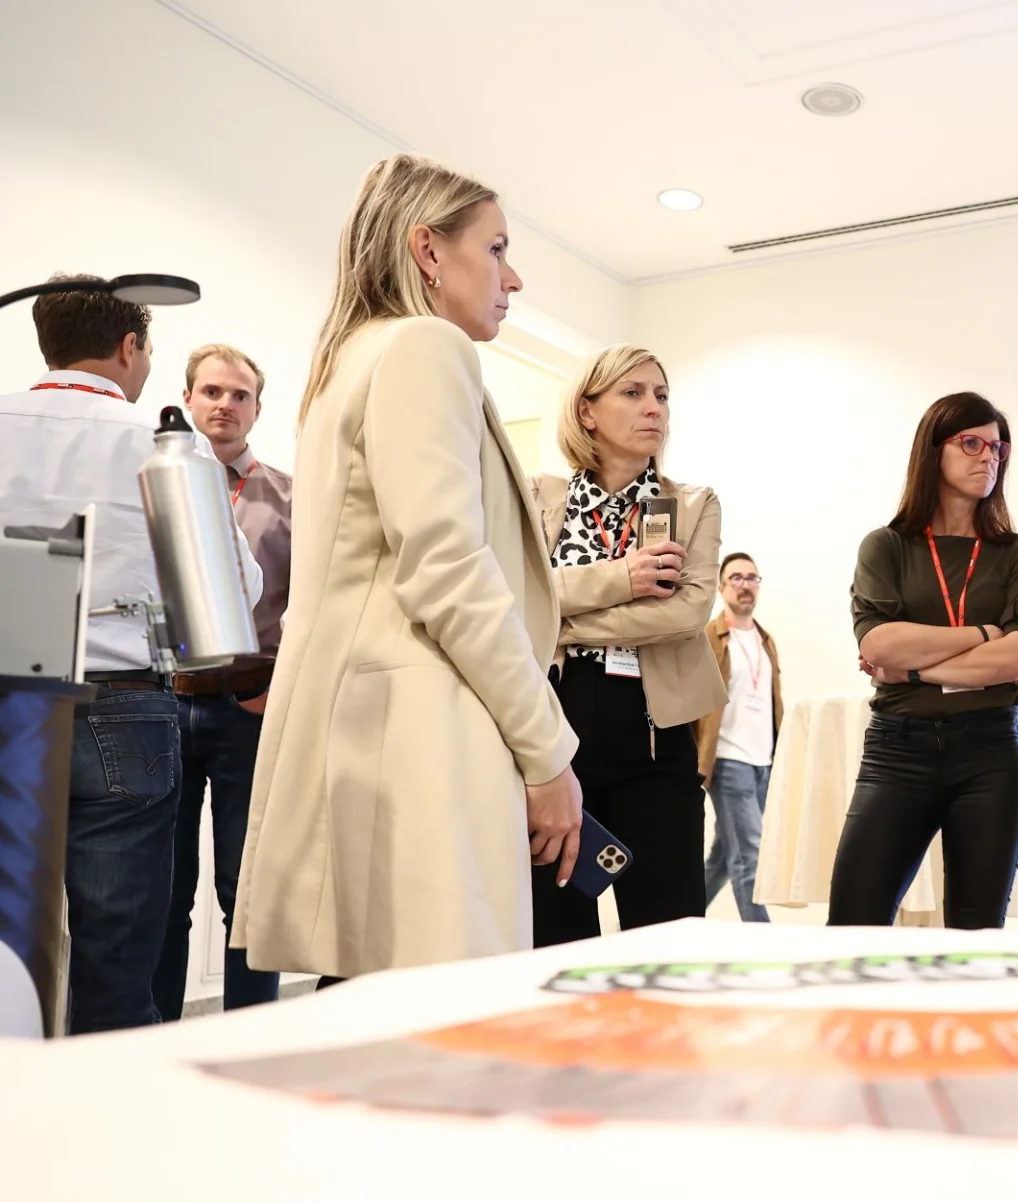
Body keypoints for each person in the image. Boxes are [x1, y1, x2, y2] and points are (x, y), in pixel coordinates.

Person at [231, 154, 583, 982]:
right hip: (421, 730)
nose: (512, 277)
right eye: (495, 249)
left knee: (372, 997)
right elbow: (448, 568)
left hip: (360, 727)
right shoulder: (425, 347)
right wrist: (547, 752)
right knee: (441, 1010)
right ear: (428, 249)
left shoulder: (349, 359)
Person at [0, 275, 261, 1032]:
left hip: (11, 695)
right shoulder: (163, 445)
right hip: (125, 703)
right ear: (129, 347)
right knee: (117, 961)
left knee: (8, 951)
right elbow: (235, 589)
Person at [829, 392, 1018, 929]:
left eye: (997, 448)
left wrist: (914, 668)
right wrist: (984, 634)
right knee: (853, 924)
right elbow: (879, 646)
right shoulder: (887, 547)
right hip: (897, 751)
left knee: (975, 937)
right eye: (972, 443)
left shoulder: (1017, 554)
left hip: (992, 753)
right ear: (934, 451)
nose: (988, 457)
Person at [530, 343, 724, 944]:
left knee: (669, 936)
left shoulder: (691, 504)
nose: (654, 408)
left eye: (661, 395)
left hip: (654, 737)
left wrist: (563, 622)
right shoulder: (538, 498)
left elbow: (685, 614)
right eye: (633, 393)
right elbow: (520, 593)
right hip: (554, 739)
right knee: (556, 938)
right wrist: (622, 579)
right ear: (586, 411)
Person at [152, 344, 289, 1019]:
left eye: (240, 395)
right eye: (211, 391)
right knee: (163, 893)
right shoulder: (152, 485)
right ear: (188, 399)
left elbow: (315, 607)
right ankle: (159, 1038)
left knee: (246, 894)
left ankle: (249, 1037)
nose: (225, 405)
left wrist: (273, 691)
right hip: (164, 710)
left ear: (258, 409)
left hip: (250, 712)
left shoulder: (291, 498)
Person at [695, 552, 784, 923]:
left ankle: (672, 917)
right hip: (728, 760)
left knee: (722, 858)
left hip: (763, 762)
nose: (745, 585)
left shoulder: (765, 640)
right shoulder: (709, 638)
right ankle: (763, 942)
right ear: (721, 587)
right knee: (749, 856)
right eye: (736, 578)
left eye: (752, 578)